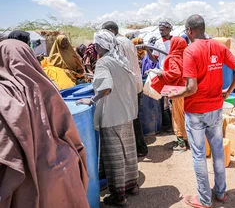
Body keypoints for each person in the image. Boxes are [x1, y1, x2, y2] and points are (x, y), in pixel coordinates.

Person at [0, 40, 89, 208]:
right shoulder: (47, 87)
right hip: (65, 167)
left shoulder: (4, 96)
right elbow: (70, 133)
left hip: (28, 182)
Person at [170, 15, 235, 208]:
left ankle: (203, 199)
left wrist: (176, 94)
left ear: (189, 31)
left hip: (195, 111)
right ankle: (220, 192)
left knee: (199, 155)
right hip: (215, 108)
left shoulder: (190, 51)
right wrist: (228, 91)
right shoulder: (219, 47)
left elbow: (192, 87)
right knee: (218, 151)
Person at [77, 30, 139, 207]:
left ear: (98, 46)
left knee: (114, 156)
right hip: (126, 112)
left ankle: (119, 196)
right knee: (128, 151)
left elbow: (106, 88)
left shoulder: (103, 62)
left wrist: (92, 99)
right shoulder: (121, 59)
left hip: (112, 114)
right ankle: (132, 186)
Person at [102, 21, 148, 157]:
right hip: (136, 84)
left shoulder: (116, 43)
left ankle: (137, 149)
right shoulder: (127, 41)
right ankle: (139, 147)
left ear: (111, 30)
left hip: (126, 86)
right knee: (134, 118)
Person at [151, 37, 189, 151]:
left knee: (177, 116)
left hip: (178, 91)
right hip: (189, 89)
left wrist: (162, 74)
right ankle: (189, 138)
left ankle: (181, 143)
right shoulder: (187, 56)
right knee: (186, 115)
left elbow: (175, 73)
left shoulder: (173, 58)